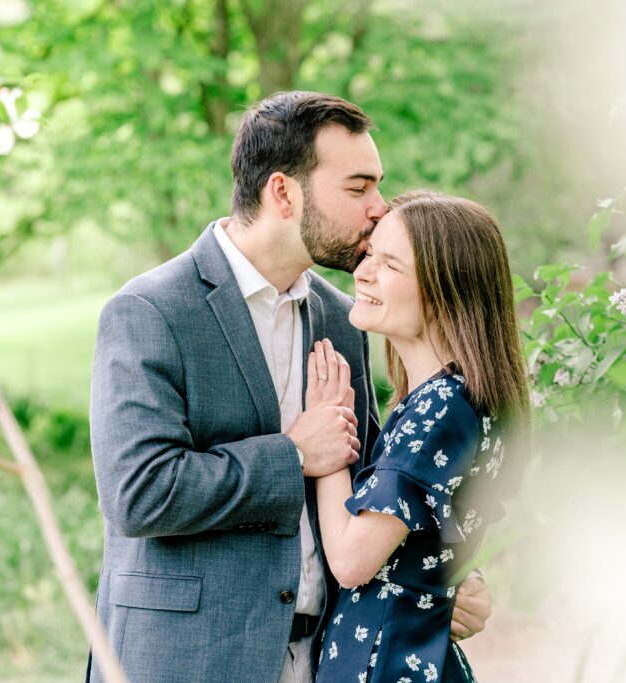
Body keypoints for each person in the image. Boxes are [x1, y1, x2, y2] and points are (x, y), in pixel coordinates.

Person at [86, 92, 492, 683]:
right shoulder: (150, 310)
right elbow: (138, 493)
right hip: (184, 660)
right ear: (284, 192)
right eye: (358, 188)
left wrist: (440, 575)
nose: (379, 208)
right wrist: (296, 454)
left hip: (319, 658)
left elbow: (376, 481)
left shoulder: (342, 318)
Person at [312, 191, 530, 682]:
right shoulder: (458, 399)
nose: (362, 272)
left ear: (447, 289)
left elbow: (351, 560)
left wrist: (328, 438)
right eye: (370, 254)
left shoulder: (440, 408)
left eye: (388, 264)